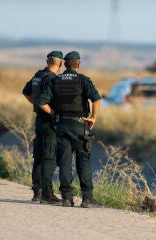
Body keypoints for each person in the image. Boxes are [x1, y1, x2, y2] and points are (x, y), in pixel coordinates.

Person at [37, 51, 103, 208]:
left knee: (65, 162)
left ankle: (67, 198)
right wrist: (93, 117)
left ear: (64, 64)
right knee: (83, 162)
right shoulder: (83, 80)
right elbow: (96, 99)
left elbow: (41, 102)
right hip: (80, 126)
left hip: (61, 125)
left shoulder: (55, 80)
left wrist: (54, 113)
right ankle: (87, 198)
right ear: (78, 65)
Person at [22, 51, 63, 203]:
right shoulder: (52, 79)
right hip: (48, 122)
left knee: (38, 156)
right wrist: (51, 111)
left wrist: (36, 104)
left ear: (47, 62)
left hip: (39, 120)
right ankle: (47, 194)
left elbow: (26, 92)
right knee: (49, 157)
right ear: (61, 64)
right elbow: (41, 101)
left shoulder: (38, 75)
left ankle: (37, 191)